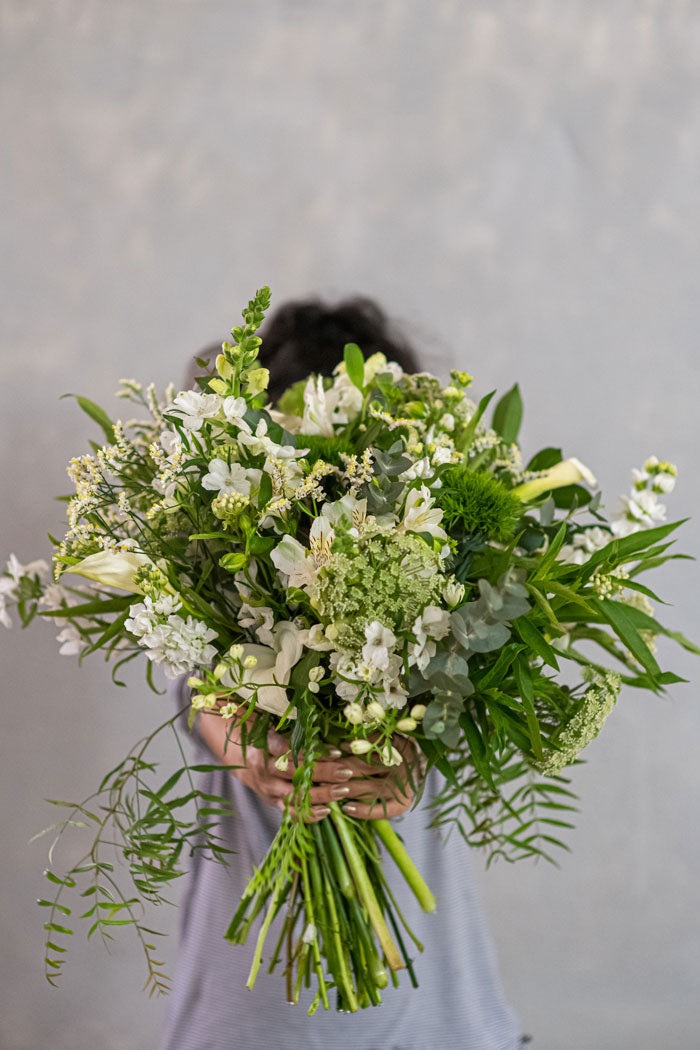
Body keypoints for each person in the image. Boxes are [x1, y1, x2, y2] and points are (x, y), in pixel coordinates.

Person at [160, 297, 527, 1050]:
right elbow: (194, 690)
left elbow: (473, 702)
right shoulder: (209, 585)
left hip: (439, 1015)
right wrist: (248, 746)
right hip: (255, 1020)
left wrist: (417, 751)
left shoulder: (454, 575)